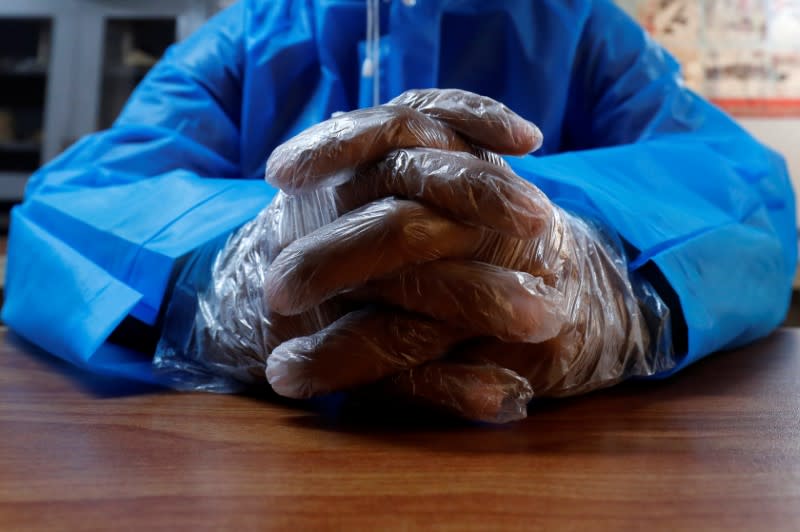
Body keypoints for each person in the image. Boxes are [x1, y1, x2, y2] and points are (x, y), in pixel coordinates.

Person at [3, 0, 795, 422]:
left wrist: (601, 273)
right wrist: (229, 276)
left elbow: (751, 196)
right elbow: (68, 208)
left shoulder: (582, 28)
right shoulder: (249, 36)